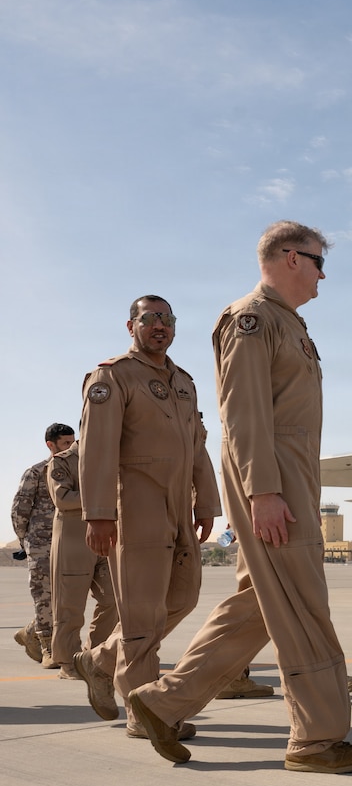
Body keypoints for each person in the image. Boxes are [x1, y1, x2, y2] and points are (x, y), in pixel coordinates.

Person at [127, 221, 352, 774]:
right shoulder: (252, 319)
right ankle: (316, 740)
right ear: (290, 257)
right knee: (303, 604)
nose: (322, 273)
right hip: (274, 478)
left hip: (293, 475)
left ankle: (162, 701)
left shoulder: (288, 324)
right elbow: (242, 415)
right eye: (316, 261)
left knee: (264, 603)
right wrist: (263, 491)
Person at [73, 295, 221, 740]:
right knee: (140, 614)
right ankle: (144, 712)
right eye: (150, 319)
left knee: (184, 596)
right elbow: (96, 449)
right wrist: (98, 514)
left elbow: (197, 445)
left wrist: (206, 502)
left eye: (168, 319)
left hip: (178, 506)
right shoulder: (112, 376)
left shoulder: (183, 381)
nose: (161, 326)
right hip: (134, 504)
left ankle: (98, 661)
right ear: (131, 325)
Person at [47, 438, 118, 679]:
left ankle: (94, 656)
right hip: (73, 541)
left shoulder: (112, 457)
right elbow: (63, 499)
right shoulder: (63, 462)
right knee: (70, 605)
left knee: (113, 599)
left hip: (106, 540)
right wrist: (104, 498)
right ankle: (67, 662)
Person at [11, 422, 76, 667]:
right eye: (66, 444)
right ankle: (49, 648)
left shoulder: (77, 472)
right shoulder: (36, 472)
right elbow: (20, 510)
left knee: (66, 598)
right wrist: (26, 542)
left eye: (73, 442)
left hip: (70, 542)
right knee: (45, 596)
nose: (71, 447)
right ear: (51, 445)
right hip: (40, 544)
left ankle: (31, 631)